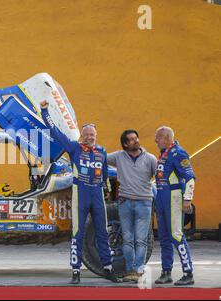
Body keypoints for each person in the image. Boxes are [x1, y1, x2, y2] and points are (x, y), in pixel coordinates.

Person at [40, 101, 121, 285]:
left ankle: (108, 269)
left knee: (102, 232)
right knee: (78, 232)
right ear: (82, 136)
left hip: (98, 195)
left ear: (96, 136)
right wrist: (45, 111)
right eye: (87, 134)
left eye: (92, 134)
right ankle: (76, 271)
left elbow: (106, 174)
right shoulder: (74, 148)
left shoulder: (102, 151)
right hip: (80, 195)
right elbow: (55, 132)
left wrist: (107, 190)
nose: (90, 137)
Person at [107, 130, 157, 282]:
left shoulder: (150, 159)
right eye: (132, 139)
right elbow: (98, 157)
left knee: (141, 240)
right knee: (128, 239)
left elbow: (160, 178)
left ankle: (139, 270)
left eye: (136, 138)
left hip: (144, 203)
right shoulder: (118, 157)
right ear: (125, 144)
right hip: (125, 203)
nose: (136, 141)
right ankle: (130, 271)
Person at [154, 126, 195, 286]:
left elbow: (190, 177)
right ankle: (166, 272)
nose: (155, 140)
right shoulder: (165, 153)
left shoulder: (178, 152)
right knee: (164, 237)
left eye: (158, 137)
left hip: (174, 197)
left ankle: (188, 273)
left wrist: (187, 199)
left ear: (166, 138)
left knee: (177, 235)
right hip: (162, 198)